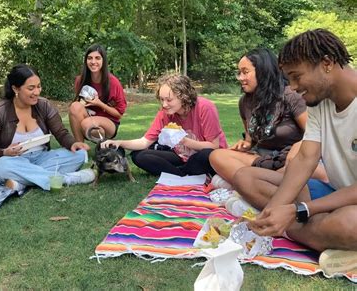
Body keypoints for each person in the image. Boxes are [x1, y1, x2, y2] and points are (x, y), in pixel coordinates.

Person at [234, 29, 357, 275]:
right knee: (244, 177)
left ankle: (300, 229)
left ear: (327, 63)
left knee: (351, 222)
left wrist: (299, 211)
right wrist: (273, 212)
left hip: (349, 204)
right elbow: (305, 157)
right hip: (335, 191)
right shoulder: (320, 102)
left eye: (296, 76)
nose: (292, 86)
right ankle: (326, 236)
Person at [209, 48, 315, 185]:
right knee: (216, 156)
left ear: (263, 71)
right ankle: (260, 183)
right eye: (239, 73)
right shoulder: (244, 102)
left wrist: (297, 149)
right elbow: (250, 139)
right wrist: (246, 144)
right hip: (260, 159)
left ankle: (254, 184)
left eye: (245, 72)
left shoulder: (290, 95)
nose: (240, 78)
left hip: (288, 159)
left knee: (224, 178)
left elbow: (314, 135)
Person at [0, 64, 94, 192]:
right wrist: (4, 152)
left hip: (42, 158)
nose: (37, 92)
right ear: (15, 89)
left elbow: (61, 133)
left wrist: (73, 143)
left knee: (79, 154)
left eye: (39, 86)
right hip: (14, 161)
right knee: (0, 166)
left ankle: (21, 182)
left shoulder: (44, 105)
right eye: (31, 88)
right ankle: (67, 179)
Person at [103, 73, 227, 177]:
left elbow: (214, 146)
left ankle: (181, 172)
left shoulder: (205, 108)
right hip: (182, 156)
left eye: (169, 100)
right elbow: (144, 141)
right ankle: (181, 174)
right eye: (161, 99)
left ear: (184, 97)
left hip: (208, 156)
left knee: (206, 155)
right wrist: (119, 142)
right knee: (138, 155)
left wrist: (184, 141)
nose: (164, 104)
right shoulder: (165, 113)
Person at [69, 44, 127, 142]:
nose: (93, 62)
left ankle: (102, 143)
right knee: (74, 106)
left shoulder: (113, 82)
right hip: (90, 116)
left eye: (97, 58)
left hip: (110, 123)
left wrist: (99, 104)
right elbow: (79, 105)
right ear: (86, 60)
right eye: (90, 58)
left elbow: (119, 114)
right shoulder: (80, 80)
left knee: (86, 124)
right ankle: (81, 149)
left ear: (103, 61)